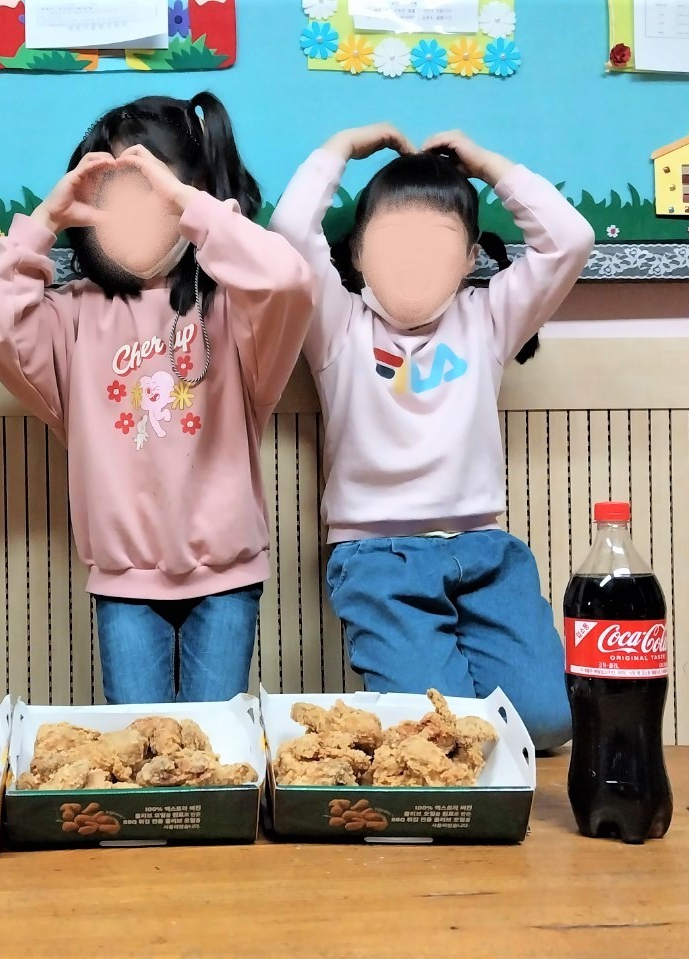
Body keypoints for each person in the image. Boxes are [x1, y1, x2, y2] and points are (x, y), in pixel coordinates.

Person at [0, 94, 313, 704]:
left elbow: (286, 279)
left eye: (151, 194)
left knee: (215, 749)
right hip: (123, 584)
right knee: (135, 749)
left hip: (226, 578)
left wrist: (187, 204)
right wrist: (47, 218)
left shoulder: (236, 310)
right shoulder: (74, 315)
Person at [269, 125, 595, 749]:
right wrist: (342, 147)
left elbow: (570, 239)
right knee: (437, 736)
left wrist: (489, 162)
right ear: (356, 254)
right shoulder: (338, 326)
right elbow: (289, 230)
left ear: (470, 258)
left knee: (550, 722)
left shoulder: (489, 317)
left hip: (485, 551)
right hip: (380, 559)